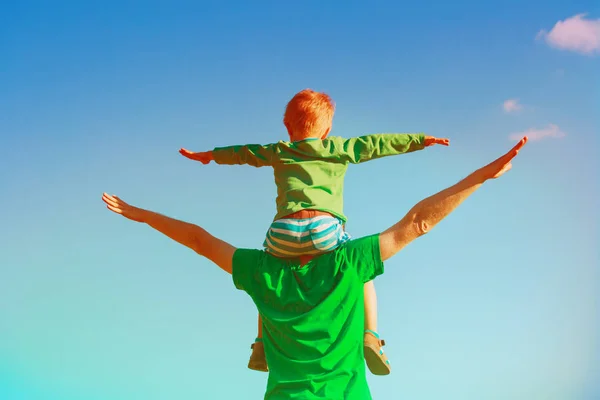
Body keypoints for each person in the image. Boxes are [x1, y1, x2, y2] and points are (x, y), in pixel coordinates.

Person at [101, 137, 527, 400]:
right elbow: (419, 222)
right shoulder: (349, 264)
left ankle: (261, 342)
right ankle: (372, 337)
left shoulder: (260, 270)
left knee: (258, 297)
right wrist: (481, 177)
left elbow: (199, 239)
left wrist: (141, 214)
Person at [178, 89, 450, 374]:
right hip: (324, 230)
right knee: (364, 270)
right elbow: (378, 144)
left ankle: (260, 344)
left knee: (266, 275)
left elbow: (245, 153)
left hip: (282, 232)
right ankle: (371, 335)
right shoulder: (337, 148)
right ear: (327, 129)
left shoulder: (279, 150)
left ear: (287, 126)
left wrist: (209, 155)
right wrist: (420, 140)